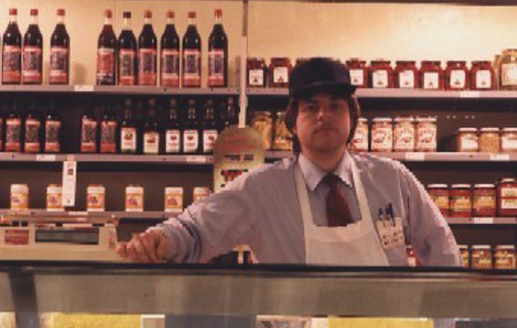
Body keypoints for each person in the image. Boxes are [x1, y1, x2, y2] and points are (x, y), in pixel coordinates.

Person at [116, 56, 461, 268]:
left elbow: (441, 247)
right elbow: (196, 229)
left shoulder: (392, 179)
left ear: (352, 118)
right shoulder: (261, 189)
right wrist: (160, 239)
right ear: (292, 122)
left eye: (336, 106)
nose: (323, 115)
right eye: (311, 107)